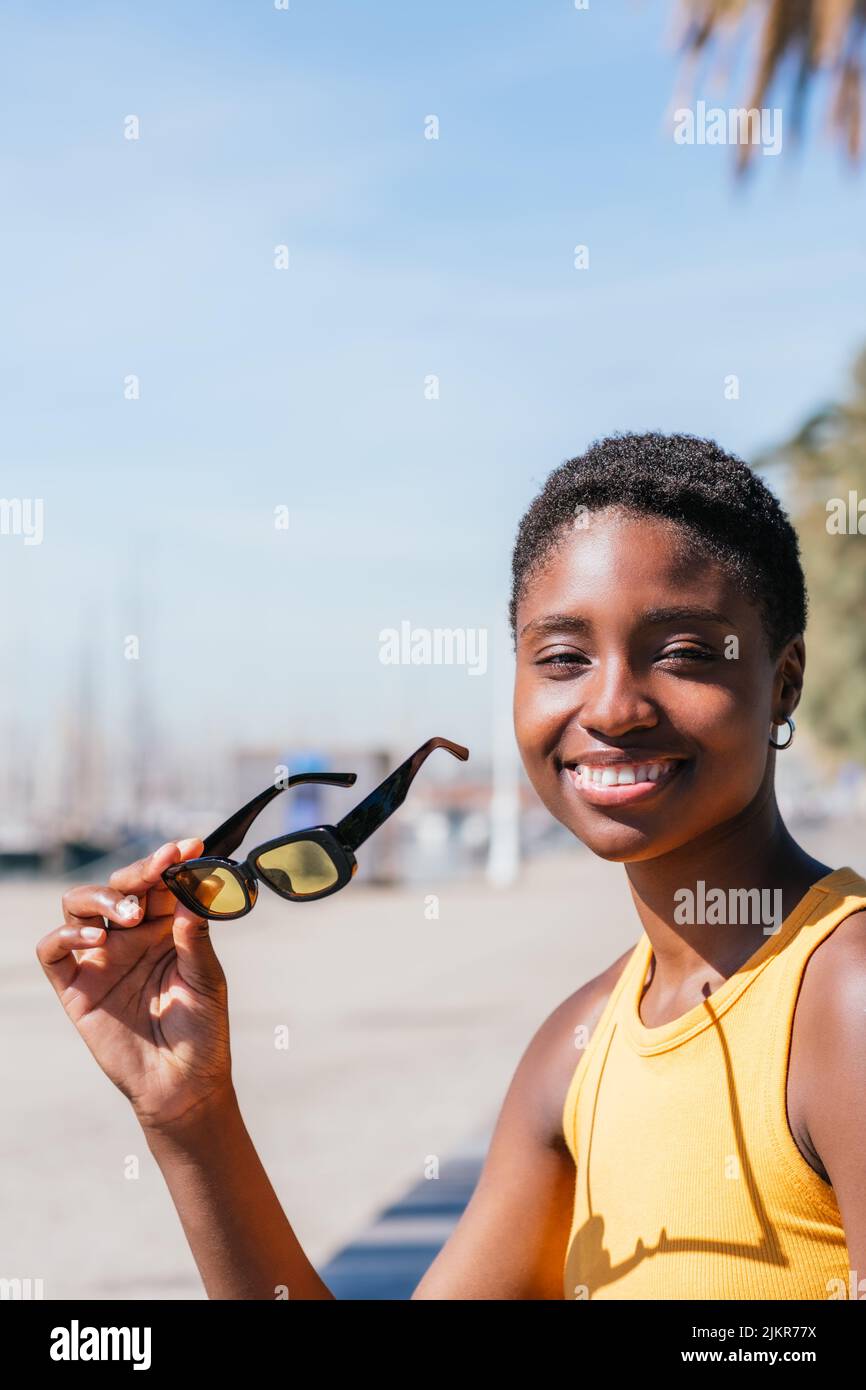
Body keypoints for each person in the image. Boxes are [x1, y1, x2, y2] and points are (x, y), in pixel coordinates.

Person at [38, 431, 866, 1300]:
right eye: (562, 658)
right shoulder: (577, 1049)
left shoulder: (840, 998)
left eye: (685, 651)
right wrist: (189, 1114)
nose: (614, 706)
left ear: (784, 679)